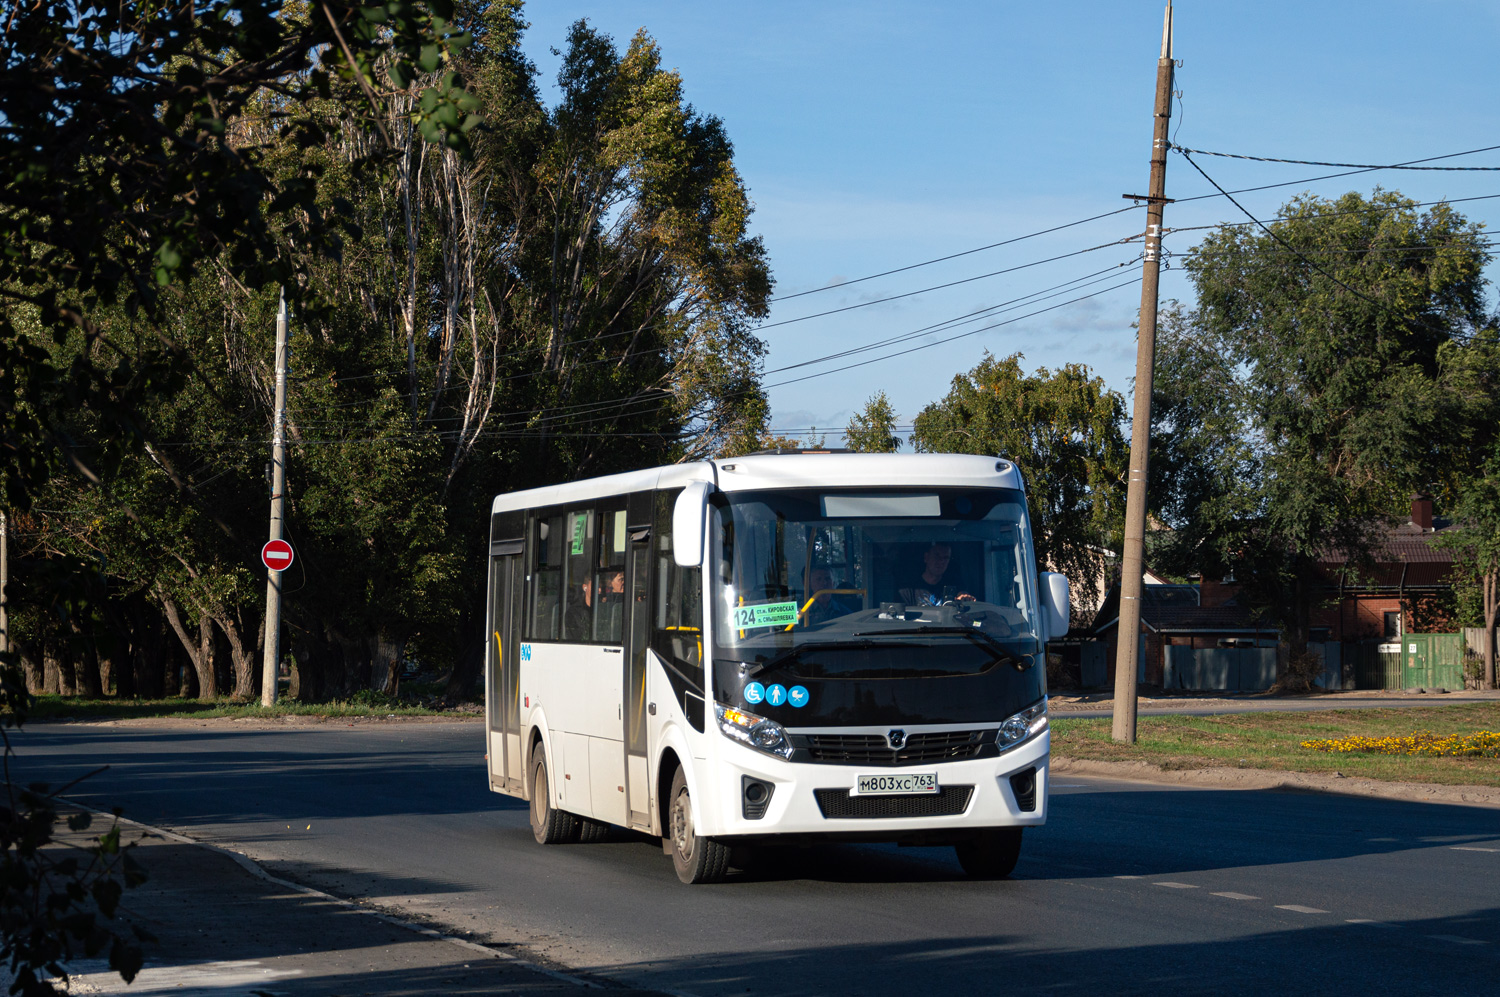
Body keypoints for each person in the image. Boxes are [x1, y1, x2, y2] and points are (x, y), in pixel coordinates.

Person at [899, 542, 975, 606]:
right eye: (937, 556)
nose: (941, 561)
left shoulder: (954, 585)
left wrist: (964, 599)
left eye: (945, 558)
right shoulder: (908, 590)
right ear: (926, 557)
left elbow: (962, 595)